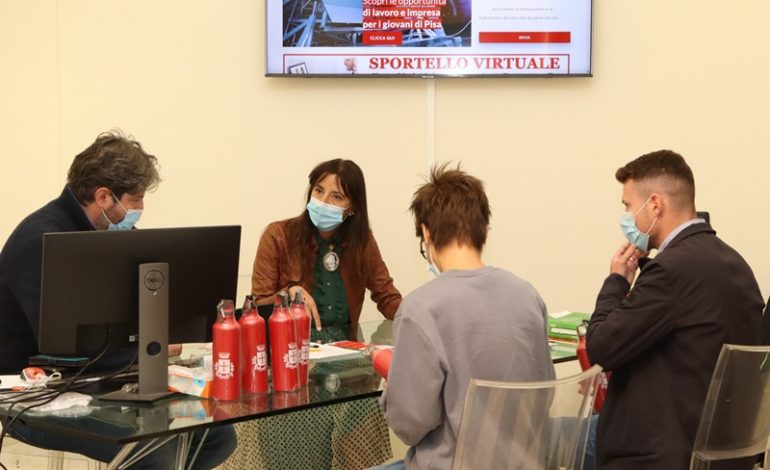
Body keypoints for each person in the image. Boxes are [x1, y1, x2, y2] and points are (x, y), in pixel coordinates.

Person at [0, 130, 236, 469]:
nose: (140, 210)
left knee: (218, 436)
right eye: (136, 199)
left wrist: (158, 337)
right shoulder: (41, 241)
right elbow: (63, 347)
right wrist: (148, 347)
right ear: (104, 197)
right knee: (153, 453)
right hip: (35, 398)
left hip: (104, 381)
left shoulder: (109, 236)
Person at [586, 150, 763, 470]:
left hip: (661, 453)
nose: (627, 217)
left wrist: (617, 280)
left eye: (627, 206)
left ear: (654, 205)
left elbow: (601, 347)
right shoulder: (735, 264)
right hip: (720, 455)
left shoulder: (671, 270)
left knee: (546, 434)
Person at [222, 158, 401, 470]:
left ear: (352, 208)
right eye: (318, 191)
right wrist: (287, 294)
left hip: (349, 369)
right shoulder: (279, 235)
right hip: (290, 365)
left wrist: (424, 317)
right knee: (298, 457)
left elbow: (387, 296)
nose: (323, 202)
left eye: (336, 197)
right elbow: (257, 304)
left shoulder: (361, 242)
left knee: (358, 450)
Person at [376, 164, 556, 470]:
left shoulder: (420, 309)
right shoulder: (527, 295)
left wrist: (392, 382)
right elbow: (543, 393)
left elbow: (410, 424)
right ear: (483, 229)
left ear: (426, 234)